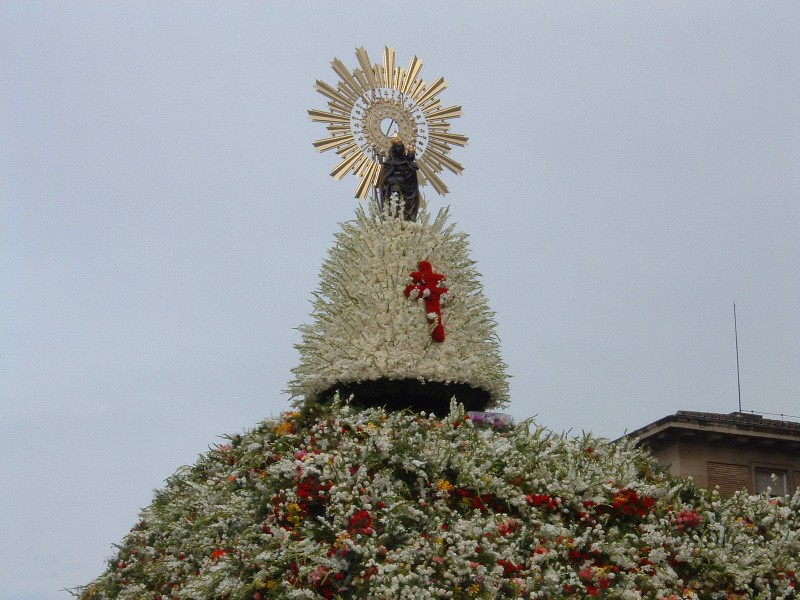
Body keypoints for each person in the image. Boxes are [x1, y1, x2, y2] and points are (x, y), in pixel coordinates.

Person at [377, 134, 420, 220]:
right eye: (398, 147)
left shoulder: (406, 160)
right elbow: (384, 177)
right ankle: (394, 217)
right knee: (395, 200)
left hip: (407, 184)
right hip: (394, 184)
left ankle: (407, 218)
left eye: (401, 147)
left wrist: (411, 171)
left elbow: (412, 172)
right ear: (394, 148)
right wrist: (389, 179)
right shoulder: (389, 162)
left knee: (408, 202)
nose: (400, 149)